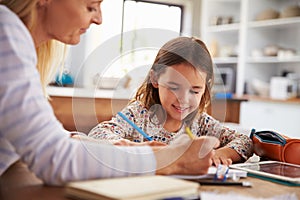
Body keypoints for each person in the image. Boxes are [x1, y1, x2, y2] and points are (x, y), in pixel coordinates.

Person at [0, 0, 220, 186]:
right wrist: (171, 159)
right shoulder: (5, 29)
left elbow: (39, 144)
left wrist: (128, 151)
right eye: (91, 6)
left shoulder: (18, 42)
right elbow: (54, 159)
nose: (99, 19)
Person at [88, 36, 254, 166]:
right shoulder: (137, 115)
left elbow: (244, 141)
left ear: (206, 86)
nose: (183, 99)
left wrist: (220, 154)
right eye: (174, 87)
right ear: (155, 78)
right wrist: (138, 150)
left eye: (194, 91)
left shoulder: (201, 122)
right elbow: (97, 134)